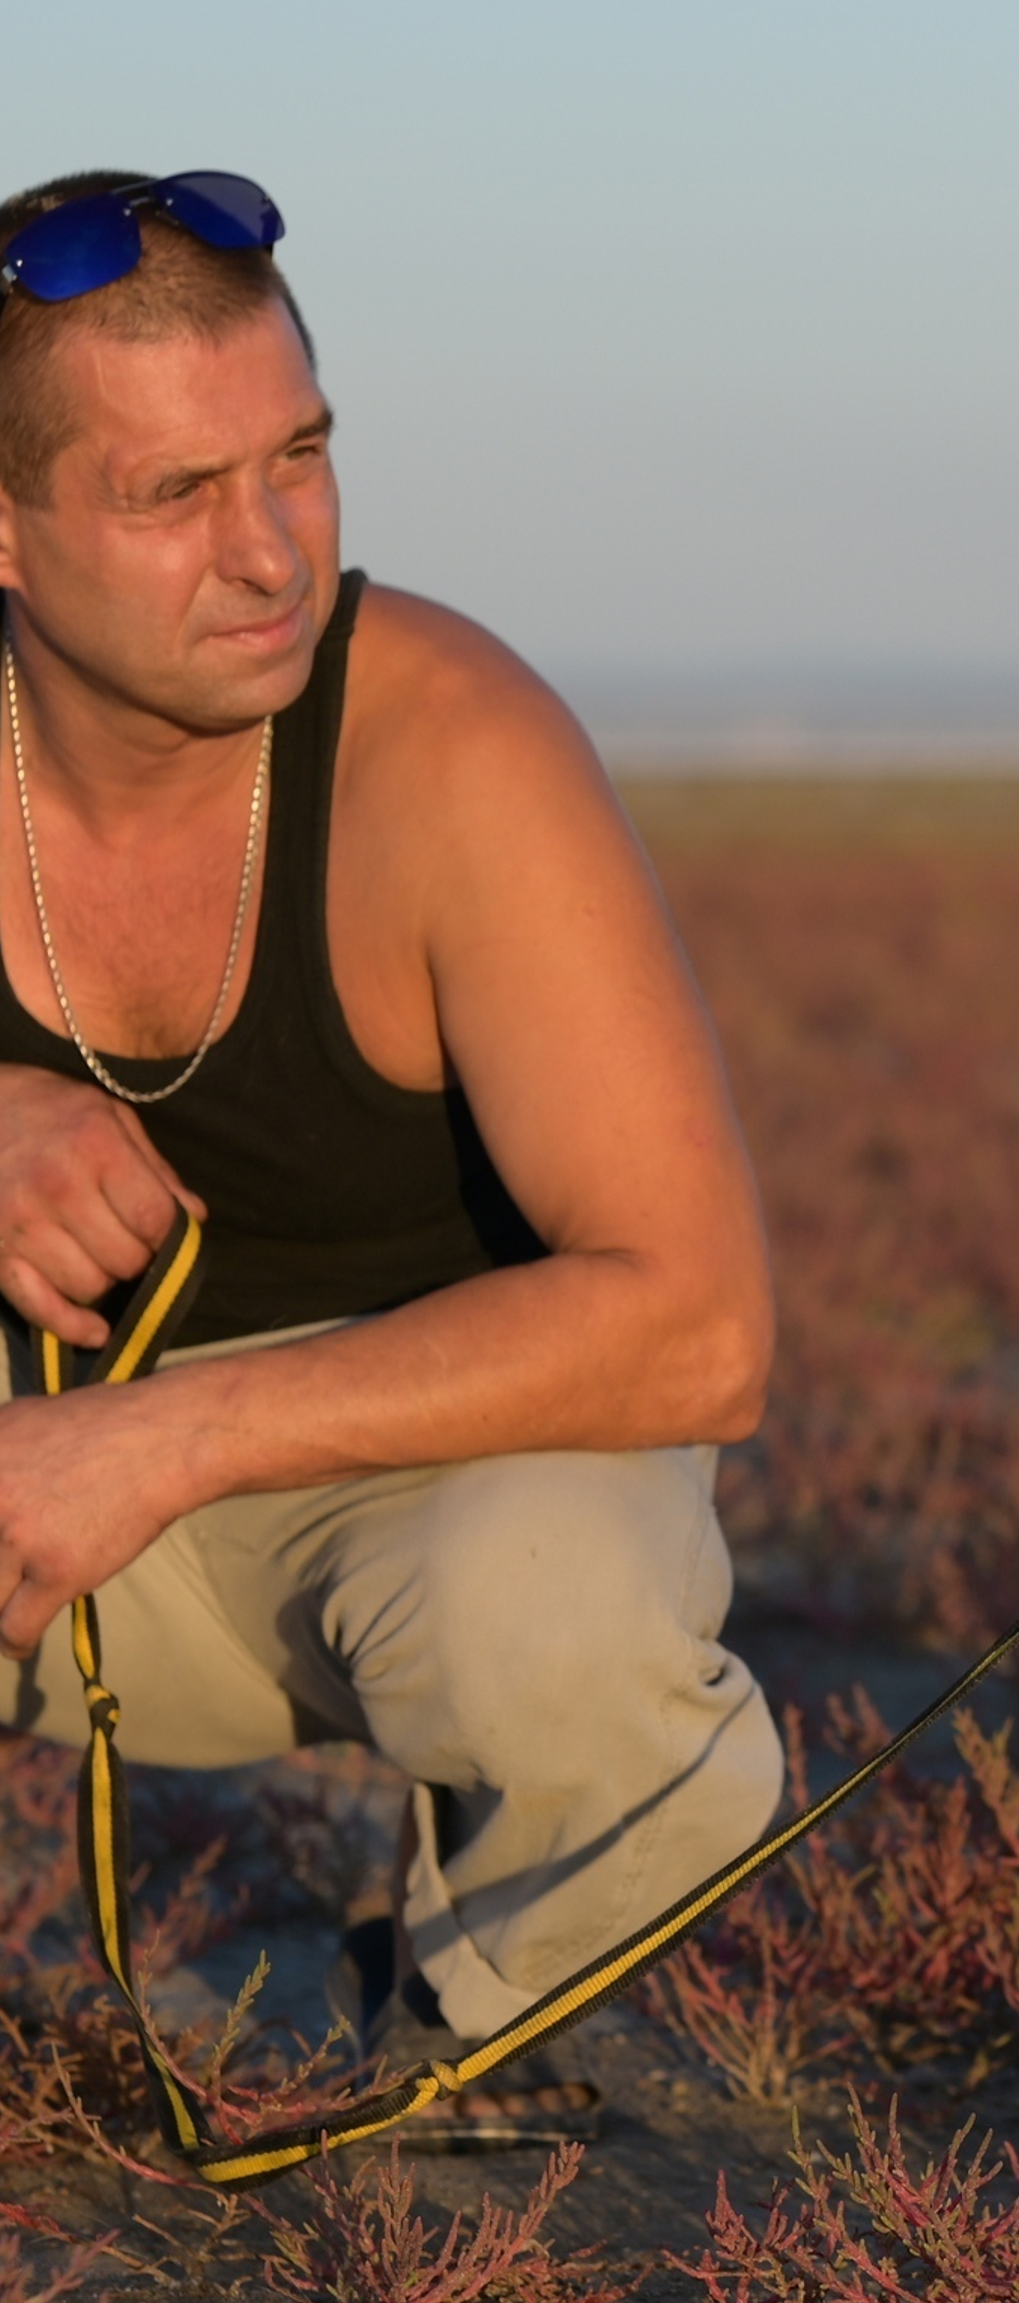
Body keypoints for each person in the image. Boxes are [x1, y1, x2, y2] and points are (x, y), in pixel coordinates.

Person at [0, 170, 784, 2120]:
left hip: (420, 1497)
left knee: (566, 1627)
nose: (267, 552)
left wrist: (154, 1440)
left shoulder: (449, 744)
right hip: (51, 1531)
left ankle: (457, 2006)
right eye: (171, 494)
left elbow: (699, 1331)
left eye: (299, 455)